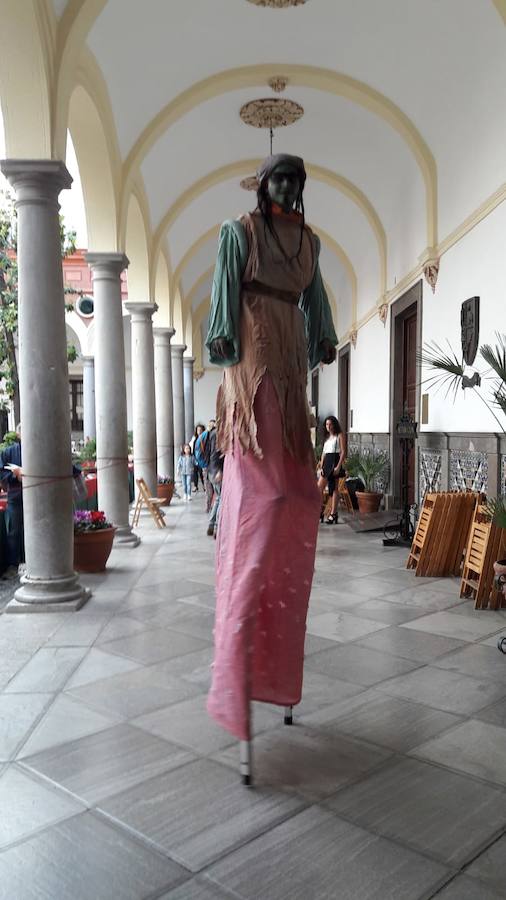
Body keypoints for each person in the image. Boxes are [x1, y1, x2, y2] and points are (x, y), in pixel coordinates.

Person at [205, 153, 337, 742]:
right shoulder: (239, 233)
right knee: (266, 487)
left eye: (295, 180)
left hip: (292, 361)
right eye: (278, 178)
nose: (286, 186)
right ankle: (236, 650)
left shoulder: (309, 244)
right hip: (253, 358)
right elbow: (221, 306)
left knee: (293, 491)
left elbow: (319, 304)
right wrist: (226, 341)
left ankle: (274, 664)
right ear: (263, 186)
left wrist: (326, 338)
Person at [0, 424, 24, 578]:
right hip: (15, 495)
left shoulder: (38, 449)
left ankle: (31, 561)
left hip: (36, 494)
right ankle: (13, 564)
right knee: (14, 530)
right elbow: (1, 472)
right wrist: (14, 475)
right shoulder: (8, 452)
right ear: (18, 433)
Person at [317, 415, 346, 524]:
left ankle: (333, 514)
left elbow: (343, 451)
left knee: (334, 489)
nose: (328, 426)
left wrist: (338, 466)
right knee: (319, 488)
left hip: (335, 460)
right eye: (326, 424)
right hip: (327, 462)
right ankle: (320, 512)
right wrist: (321, 467)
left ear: (334, 424)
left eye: (330, 424)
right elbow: (323, 454)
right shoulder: (327, 437)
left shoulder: (339, 435)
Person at [206, 425, 224, 538]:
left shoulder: (211, 433)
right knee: (221, 498)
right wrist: (219, 470)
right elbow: (216, 454)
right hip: (215, 471)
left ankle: (212, 524)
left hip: (211, 470)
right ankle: (216, 527)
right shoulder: (218, 433)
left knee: (218, 498)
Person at [190, 424, 205, 492]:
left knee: (202, 472)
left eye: (200, 430)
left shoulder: (204, 437)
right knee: (195, 472)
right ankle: (195, 486)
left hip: (202, 458)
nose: (199, 431)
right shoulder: (195, 438)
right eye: (197, 430)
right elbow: (192, 447)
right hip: (195, 457)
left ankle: (204, 485)